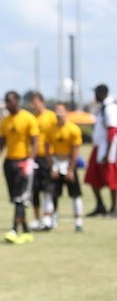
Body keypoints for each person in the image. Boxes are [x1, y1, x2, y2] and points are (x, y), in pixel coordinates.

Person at [0, 91, 39, 244]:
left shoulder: (28, 118)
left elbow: (35, 142)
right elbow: (2, 143)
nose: (8, 104)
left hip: (23, 161)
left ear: (18, 101)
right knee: (15, 198)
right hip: (9, 162)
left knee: (20, 197)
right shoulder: (5, 121)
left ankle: (14, 229)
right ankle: (26, 230)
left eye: (10, 101)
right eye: (6, 101)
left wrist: (30, 161)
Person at [46, 102, 84, 232]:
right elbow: (47, 148)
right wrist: (52, 166)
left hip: (68, 163)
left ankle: (78, 222)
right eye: (56, 110)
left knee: (75, 194)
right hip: (57, 162)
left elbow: (75, 151)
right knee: (53, 193)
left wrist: (71, 169)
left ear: (66, 112)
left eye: (61, 110)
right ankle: (53, 218)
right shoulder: (51, 129)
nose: (58, 113)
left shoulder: (73, 129)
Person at [84, 83, 117, 216]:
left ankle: (114, 208)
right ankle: (100, 205)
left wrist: (108, 153)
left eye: (96, 93)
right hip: (99, 147)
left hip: (108, 149)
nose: (94, 96)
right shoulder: (102, 108)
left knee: (111, 179)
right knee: (92, 177)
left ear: (101, 93)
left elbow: (112, 130)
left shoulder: (110, 108)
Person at [28, 92, 57, 230]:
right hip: (35, 157)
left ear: (42, 102)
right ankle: (37, 218)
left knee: (48, 188)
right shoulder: (32, 118)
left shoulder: (51, 116)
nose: (32, 105)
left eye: (34, 102)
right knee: (35, 189)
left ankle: (49, 216)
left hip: (48, 156)